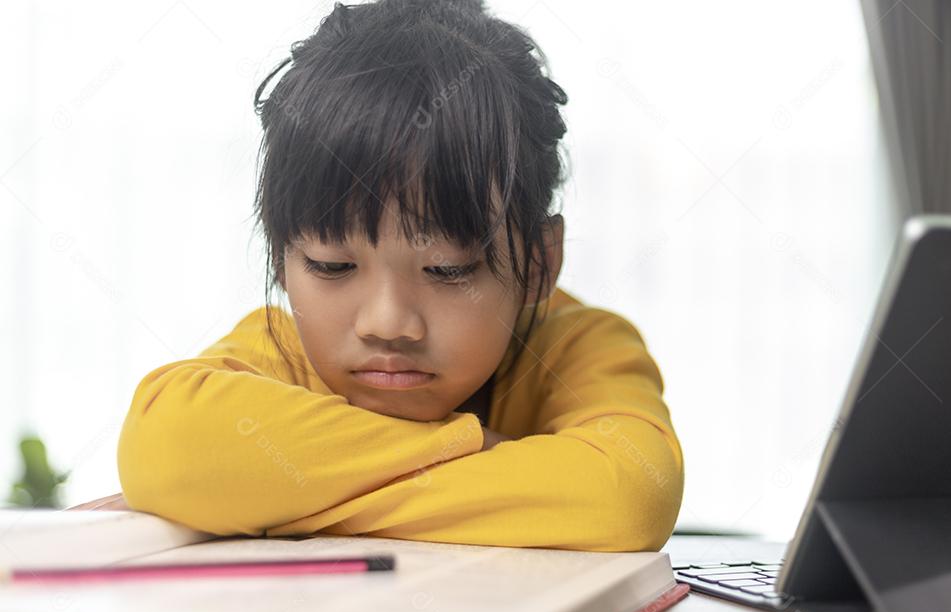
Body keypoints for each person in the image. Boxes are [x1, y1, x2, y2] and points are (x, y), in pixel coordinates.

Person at [105, 0, 683, 551]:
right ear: (281, 257)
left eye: (447, 269)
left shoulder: (578, 346)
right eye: (333, 266)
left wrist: (279, 503)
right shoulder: (278, 353)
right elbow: (171, 446)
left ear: (539, 264)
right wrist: (480, 449)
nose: (387, 323)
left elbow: (629, 496)